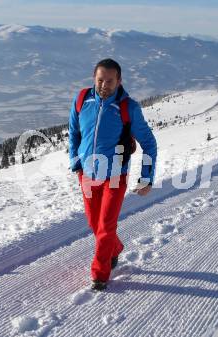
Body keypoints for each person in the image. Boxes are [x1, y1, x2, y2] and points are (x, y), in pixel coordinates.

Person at [69, 58, 157, 291]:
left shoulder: (129, 108)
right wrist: (75, 162)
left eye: (110, 81)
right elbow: (74, 133)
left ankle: (100, 273)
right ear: (93, 79)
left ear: (119, 81)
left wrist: (146, 178)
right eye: (100, 80)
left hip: (115, 176)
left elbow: (149, 143)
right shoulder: (81, 100)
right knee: (94, 223)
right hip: (87, 174)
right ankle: (114, 248)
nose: (104, 85)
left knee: (106, 226)